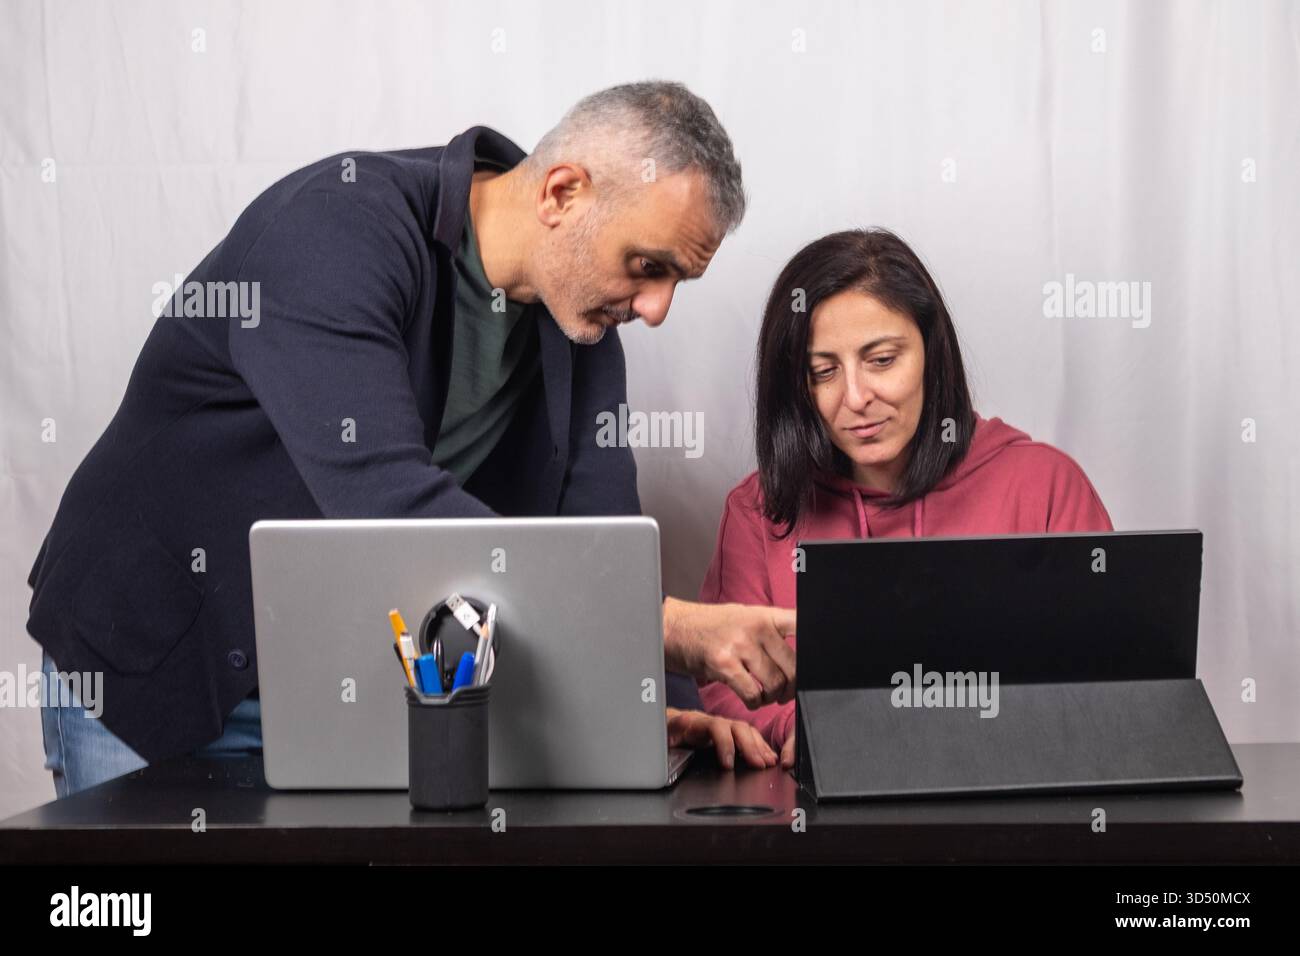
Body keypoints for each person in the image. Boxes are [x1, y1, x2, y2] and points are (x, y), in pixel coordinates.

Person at [28, 81, 794, 797]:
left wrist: (650, 702)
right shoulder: (333, 230)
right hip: (148, 656)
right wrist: (667, 630)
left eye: (676, 281)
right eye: (648, 266)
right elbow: (388, 510)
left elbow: (605, 545)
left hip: (331, 689)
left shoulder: (582, 329)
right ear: (562, 193)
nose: (656, 309)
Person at [698, 228, 1114, 768]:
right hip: (823, 811)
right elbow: (726, 686)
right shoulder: (758, 509)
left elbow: (1107, 673)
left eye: (881, 360)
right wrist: (806, 729)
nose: (855, 398)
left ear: (931, 353)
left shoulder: (1045, 485)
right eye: (823, 372)